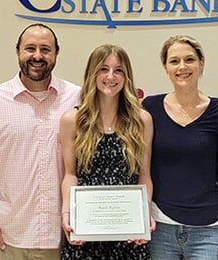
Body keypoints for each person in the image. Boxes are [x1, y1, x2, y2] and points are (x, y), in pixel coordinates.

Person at [0, 23, 80, 259]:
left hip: (65, 236)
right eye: (30, 48)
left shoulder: (77, 97)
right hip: (10, 237)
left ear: (56, 53)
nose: (37, 56)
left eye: (45, 49)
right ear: (18, 51)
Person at [142, 35, 218, 260]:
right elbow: (141, 168)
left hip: (207, 231)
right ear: (165, 67)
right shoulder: (150, 108)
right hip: (160, 229)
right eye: (174, 61)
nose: (182, 67)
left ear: (201, 63)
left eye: (189, 59)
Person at [59, 44, 154, 259]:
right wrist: (67, 214)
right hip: (84, 234)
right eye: (103, 69)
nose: (111, 76)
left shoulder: (141, 120)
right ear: (92, 73)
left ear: (126, 76)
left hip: (129, 237)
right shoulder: (72, 121)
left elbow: (144, 176)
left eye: (118, 70)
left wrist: (144, 215)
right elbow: (70, 174)